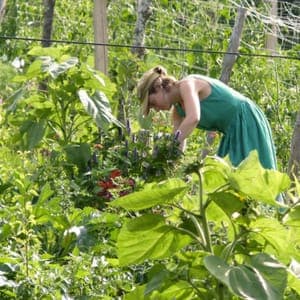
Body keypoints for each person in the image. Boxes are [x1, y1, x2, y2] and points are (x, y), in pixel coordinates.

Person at [136, 65, 278, 170]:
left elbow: (193, 118)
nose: (155, 109)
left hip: (246, 120)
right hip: (231, 132)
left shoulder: (187, 85)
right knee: (228, 180)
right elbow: (179, 139)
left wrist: (169, 147)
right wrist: (166, 164)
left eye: (152, 103)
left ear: (159, 88)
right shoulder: (178, 110)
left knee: (256, 174)